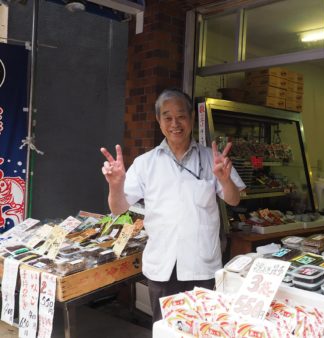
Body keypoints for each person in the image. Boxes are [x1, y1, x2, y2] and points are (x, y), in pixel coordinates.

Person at [99, 88, 245, 322]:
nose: (175, 123)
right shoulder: (146, 163)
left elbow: (234, 199)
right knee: (165, 330)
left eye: (181, 116)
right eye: (167, 117)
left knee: (202, 330)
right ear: (159, 121)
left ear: (191, 119)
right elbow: (118, 208)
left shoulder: (211, 159)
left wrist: (225, 180)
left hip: (202, 265)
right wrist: (115, 185)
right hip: (162, 266)